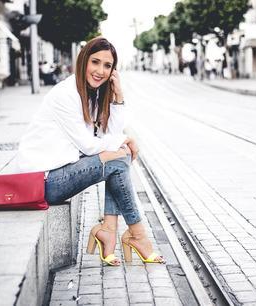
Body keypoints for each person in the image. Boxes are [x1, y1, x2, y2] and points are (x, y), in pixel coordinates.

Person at [15, 37, 164, 266]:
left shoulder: (91, 93)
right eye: (95, 62)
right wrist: (124, 139)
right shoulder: (65, 94)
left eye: (107, 66)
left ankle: (109, 231)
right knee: (117, 159)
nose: (100, 71)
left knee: (119, 156)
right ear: (84, 60)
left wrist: (119, 96)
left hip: (60, 172)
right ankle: (137, 236)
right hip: (44, 181)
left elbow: (108, 135)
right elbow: (89, 145)